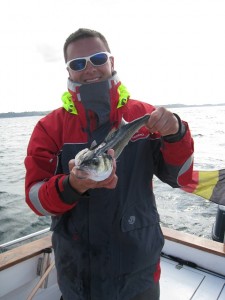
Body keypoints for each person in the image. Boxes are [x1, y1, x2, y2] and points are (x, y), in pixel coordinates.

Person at [24, 28, 194, 300]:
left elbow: (180, 177)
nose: (89, 68)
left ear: (112, 62)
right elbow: (35, 199)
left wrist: (176, 133)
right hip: (78, 274)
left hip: (139, 270)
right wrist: (71, 185)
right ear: (68, 72)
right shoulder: (49, 128)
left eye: (98, 58)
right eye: (78, 64)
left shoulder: (145, 117)